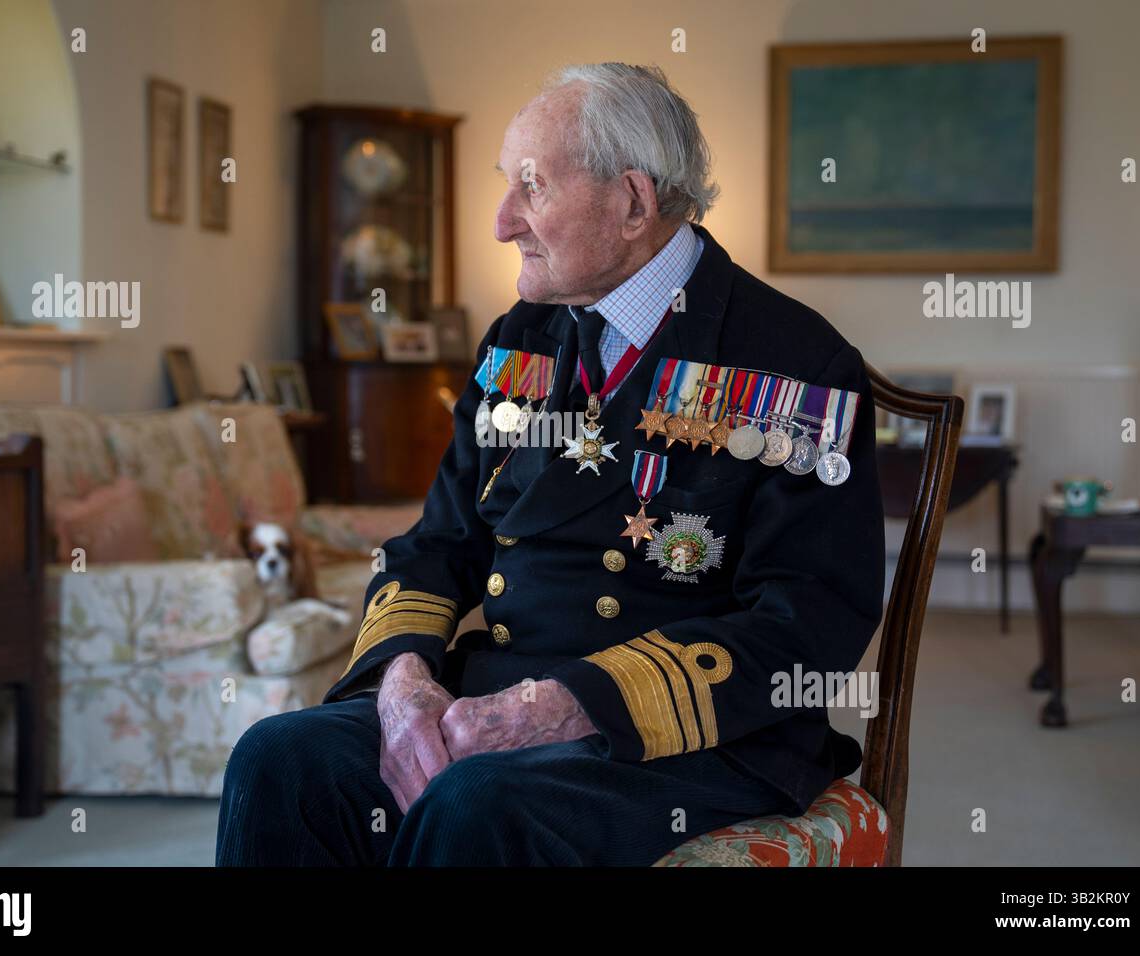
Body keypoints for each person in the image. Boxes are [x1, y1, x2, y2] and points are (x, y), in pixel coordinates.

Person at [216, 62, 884, 867]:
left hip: (691, 739)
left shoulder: (794, 359)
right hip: (494, 692)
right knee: (280, 760)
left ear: (633, 202)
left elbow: (808, 620)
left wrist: (567, 706)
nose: (502, 222)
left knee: (475, 804)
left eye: (530, 189)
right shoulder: (520, 336)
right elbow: (439, 542)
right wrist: (402, 682)